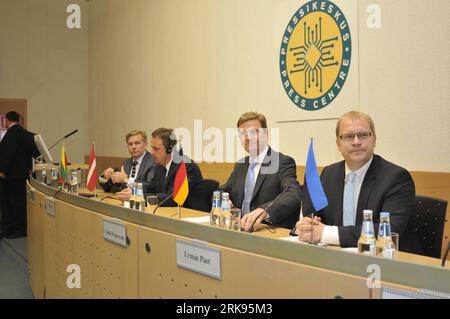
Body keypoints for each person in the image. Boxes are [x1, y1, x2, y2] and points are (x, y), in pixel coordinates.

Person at [296, 111, 421, 254]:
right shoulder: (329, 174)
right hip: (338, 258)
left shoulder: (396, 178)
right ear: (338, 144)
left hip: (388, 264)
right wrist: (308, 226)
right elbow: (318, 217)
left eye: (363, 135)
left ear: (374, 139)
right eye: (348, 136)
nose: (356, 142)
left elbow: (388, 231)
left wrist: (325, 233)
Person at [220, 112, 302, 232]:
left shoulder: (281, 162)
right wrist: (225, 201)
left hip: (265, 232)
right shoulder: (240, 165)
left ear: (266, 134)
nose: (248, 138)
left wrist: (265, 211)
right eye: (243, 134)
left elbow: (294, 194)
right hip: (237, 230)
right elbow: (222, 190)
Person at [118, 128, 205, 211]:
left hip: (189, 216)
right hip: (168, 213)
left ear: (169, 149)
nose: (151, 152)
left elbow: (173, 198)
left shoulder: (186, 166)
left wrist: (139, 197)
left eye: (156, 149)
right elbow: (151, 187)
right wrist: (133, 191)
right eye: (152, 148)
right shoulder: (159, 166)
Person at [0, 111, 39, 239]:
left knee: (11, 203)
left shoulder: (11, 134)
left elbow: (8, 154)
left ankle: (15, 228)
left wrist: (2, 170)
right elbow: (35, 153)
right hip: (23, 175)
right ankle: (20, 228)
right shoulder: (27, 134)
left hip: (10, 176)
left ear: (7, 120)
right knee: (21, 203)